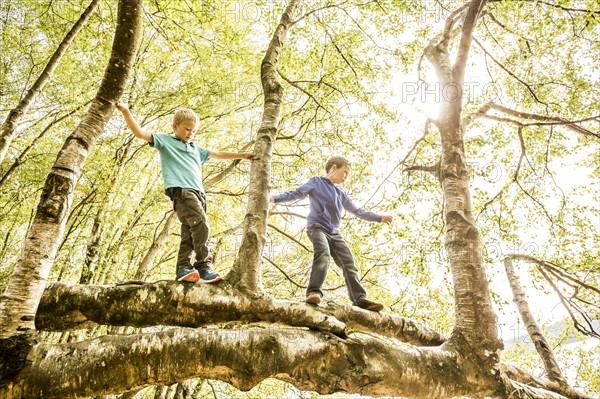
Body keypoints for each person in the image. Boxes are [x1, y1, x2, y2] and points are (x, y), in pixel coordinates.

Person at [116, 102, 253, 283]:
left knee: (189, 233)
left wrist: (242, 155)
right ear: (175, 126)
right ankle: (204, 267)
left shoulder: (195, 149)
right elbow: (140, 133)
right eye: (187, 129)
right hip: (182, 192)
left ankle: (183, 269)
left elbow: (218, 154)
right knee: (202, 225)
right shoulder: (166, 141)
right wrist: (125, 111)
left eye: (194, 131)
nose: (190, 133)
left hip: (199, 194)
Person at [270, 156, 393, 311]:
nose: (345, 178)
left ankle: (359, 299)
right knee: (323, 254)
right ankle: (314, 291)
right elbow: (297, 193)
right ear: (334, 168)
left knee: (349, 262)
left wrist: (379, 218)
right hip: (317, 227)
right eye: (345, 173)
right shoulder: (317, 182)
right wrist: (275, 198)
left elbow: (357, 211)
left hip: (334, 233)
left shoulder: (341, 193)